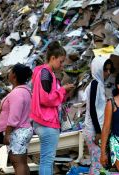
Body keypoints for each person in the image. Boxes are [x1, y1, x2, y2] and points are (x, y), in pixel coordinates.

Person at [30, 41, 74, 175]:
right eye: (60, 62)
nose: (62, 65)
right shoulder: (46, 73)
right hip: (47, 122)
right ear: (53, 58)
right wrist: (63, 90)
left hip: (41, 121)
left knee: (46, 160)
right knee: (47, 161)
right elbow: (46, 99)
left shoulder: (40, 72)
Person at [0, 63, 33, 175]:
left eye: (10, 71)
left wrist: (7, 134)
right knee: (22, 162)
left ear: (14, 75)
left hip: (17, 131)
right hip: (24, 129)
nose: (8, 73)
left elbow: (14, 117)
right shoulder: (26, 91)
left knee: (17, 163)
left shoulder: (17, 93)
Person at [83, 57, 114, 175]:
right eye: (105, 70)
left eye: (109, 70)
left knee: (98, 163)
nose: (108, 73)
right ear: (97, 70)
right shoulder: (95, 84)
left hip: (97, 130)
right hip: (94, 131)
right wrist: (98, 132)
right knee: (98, 163)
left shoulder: (99, 84)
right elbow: (92, 110)